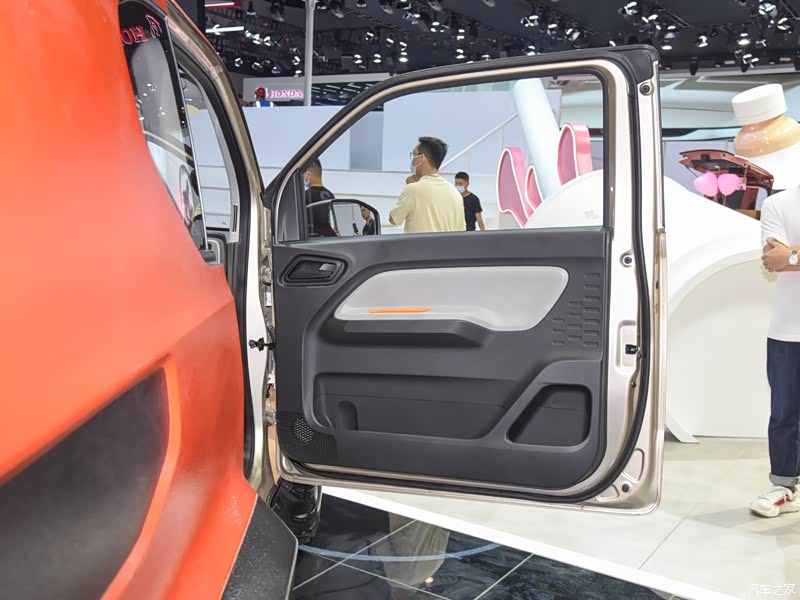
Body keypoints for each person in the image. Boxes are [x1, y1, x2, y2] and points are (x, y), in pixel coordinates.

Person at [750, 189, 800, 518]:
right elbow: (774, 260)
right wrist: (789, 259)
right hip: (788, 330)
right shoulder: (777, 204)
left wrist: (791, 257)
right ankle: (784, 486)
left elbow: (785, 259)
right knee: (784, 414)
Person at [389, 137, 464, 233]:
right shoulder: (455, 193)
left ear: (421, 158)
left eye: (414, 155)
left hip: (419, 244)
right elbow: (460, 231)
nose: (412, 160)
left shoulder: (413, 190)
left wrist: (410, 187)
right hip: (447, 244)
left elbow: (393, 220)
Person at [303, 159, 337, 237]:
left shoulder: (305, 195)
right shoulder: (331, 195)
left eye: (304, 175)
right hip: (329, 235)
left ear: (308, 174)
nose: (303, 178)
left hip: (313, 237)